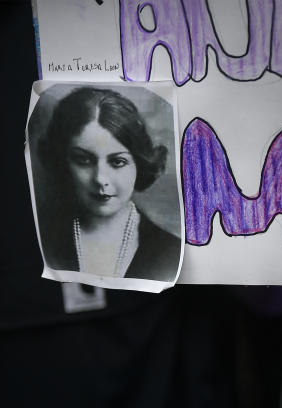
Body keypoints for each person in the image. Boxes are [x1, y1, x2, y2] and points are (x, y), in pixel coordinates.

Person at [34, 86, 180, 281]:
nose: (100, 178)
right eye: (83, 160)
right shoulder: (40, 241)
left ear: (139, 163)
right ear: (61, 161)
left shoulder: (171, 253)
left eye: (117, 162)